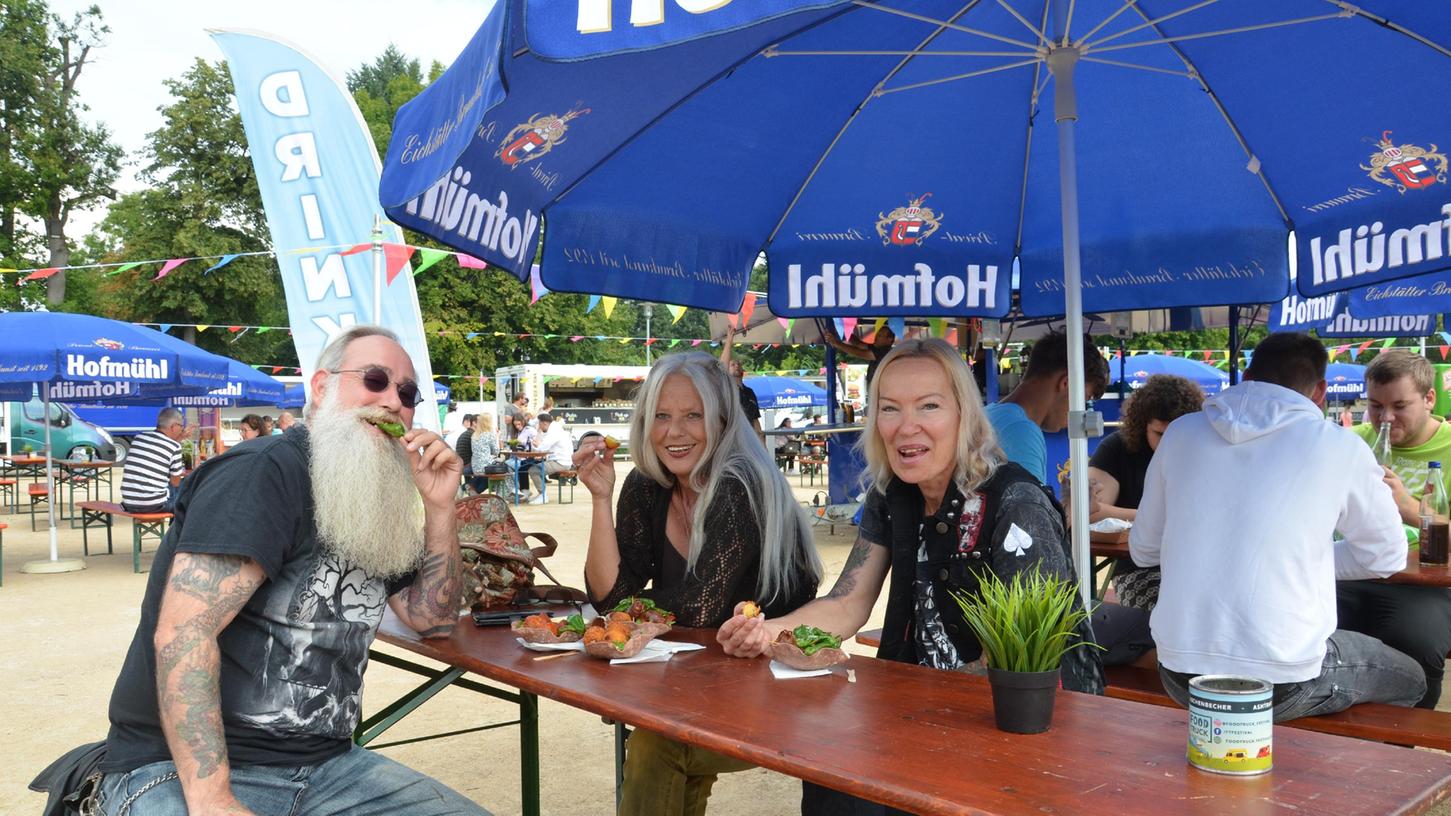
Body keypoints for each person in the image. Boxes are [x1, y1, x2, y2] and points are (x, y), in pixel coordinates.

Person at [95, 325, 481, 816]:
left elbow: (434, 620)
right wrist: (213, 801)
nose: (391, 402)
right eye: (375, 379)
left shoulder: (380, 498)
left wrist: (441, 509)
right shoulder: (262, 471)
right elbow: (184, 632)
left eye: (406, 393)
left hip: (329, 768)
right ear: (320, 387)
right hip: (178, 770)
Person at [717, 338, 1102, 816]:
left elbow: (1026, 664)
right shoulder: (894, 493)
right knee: (828, 780)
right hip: (926, 716)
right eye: (889, 408)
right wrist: (765, 632)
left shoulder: (1015, 504)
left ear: (965, 414)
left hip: (1031, 729)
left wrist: (905, 718)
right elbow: (847, 603)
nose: (906, 426)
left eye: (929, 406)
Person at [571, 351, 822, 816]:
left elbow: (701, 606)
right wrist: (601, 498)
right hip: (700, 684)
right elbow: (608, 596)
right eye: (661, 416)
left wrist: (626, 611)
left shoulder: (740, 483)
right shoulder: (648, 486)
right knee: (665, 748)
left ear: (723, 422)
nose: (674, 432)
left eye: (693, 415)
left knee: (658, 745)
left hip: (780, 689)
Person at [1131, 332, 1425, 722]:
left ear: (1248, 375)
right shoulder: (1339, 446)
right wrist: (1306, 557)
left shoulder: (1181, 433)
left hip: (1180, 673)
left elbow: (1144, 550)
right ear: (1321, 391)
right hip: (1286, 681)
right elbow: (1387, 556)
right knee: (1414, 679)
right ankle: (1338, 776)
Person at [1341, 349, 1451, 708]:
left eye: (1400, 406)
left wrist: (1408, 508)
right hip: (1346, 572)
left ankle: (1400, 747)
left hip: (1425, 587)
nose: (1385, 418)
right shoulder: (1348, 443)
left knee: (1414, 640)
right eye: (1374, 406)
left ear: (1429, 398)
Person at [1086, 374, 1205, 612]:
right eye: (1160, 434)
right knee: (1172, 610)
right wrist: (1153, 516)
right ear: (1142, 425)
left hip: (1198, 567)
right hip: (1137, 570)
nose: (1168, 442)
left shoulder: (1206, 450)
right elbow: (1090, 511)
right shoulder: (1117, 448)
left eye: (1177, 433)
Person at [985, 330, 1111, 486]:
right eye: (1082, 400)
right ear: (1066, 384)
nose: (1078, 413)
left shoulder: (991, 413)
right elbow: (1028, 509)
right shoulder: (1021, 431)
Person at [120, 408, 187, 514]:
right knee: (186, 488)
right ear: (173, 427)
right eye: (181, 426)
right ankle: (175, 529)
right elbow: (175, 482)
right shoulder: (175, 447)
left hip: (128, 504)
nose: (182, 430)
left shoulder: (139, 438)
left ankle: (174, 527)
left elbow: (162, 447)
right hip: (155, 505)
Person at [822, 321, 894, 392]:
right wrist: (845, 332)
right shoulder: (878, 348)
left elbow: (860, 353)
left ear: (889, 339)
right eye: (877, 334)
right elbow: (859, 344)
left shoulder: (885, 352)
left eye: (880, 335)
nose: (876, 337)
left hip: (880, 390)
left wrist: (836, 343)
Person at [526, 413, 572, 504]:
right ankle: (541, 494)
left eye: (539, 424)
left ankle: (543, 495)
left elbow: (542, 448)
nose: (538, 426)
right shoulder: (556, 428)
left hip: (560, 463)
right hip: (562, 461)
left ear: (544, 424)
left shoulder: (554, 431)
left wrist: (536, 445)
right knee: (536, 468)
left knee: (533, 470)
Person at [469, 414, 502, 495]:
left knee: (484, 476)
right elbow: (496, 451)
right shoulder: (489, 434)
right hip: (486, 466)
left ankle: (470, 487)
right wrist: (497, 436)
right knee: (505, 469)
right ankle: (476, 491)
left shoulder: (474, 435)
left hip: (475, 465)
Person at [455, 414, 477, 482]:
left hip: (460, 465)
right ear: (474, 423)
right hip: (467, 466)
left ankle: (468, 486)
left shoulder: (465, 434)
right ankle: (468, 487)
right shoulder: (473, 435)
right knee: (485, 470)